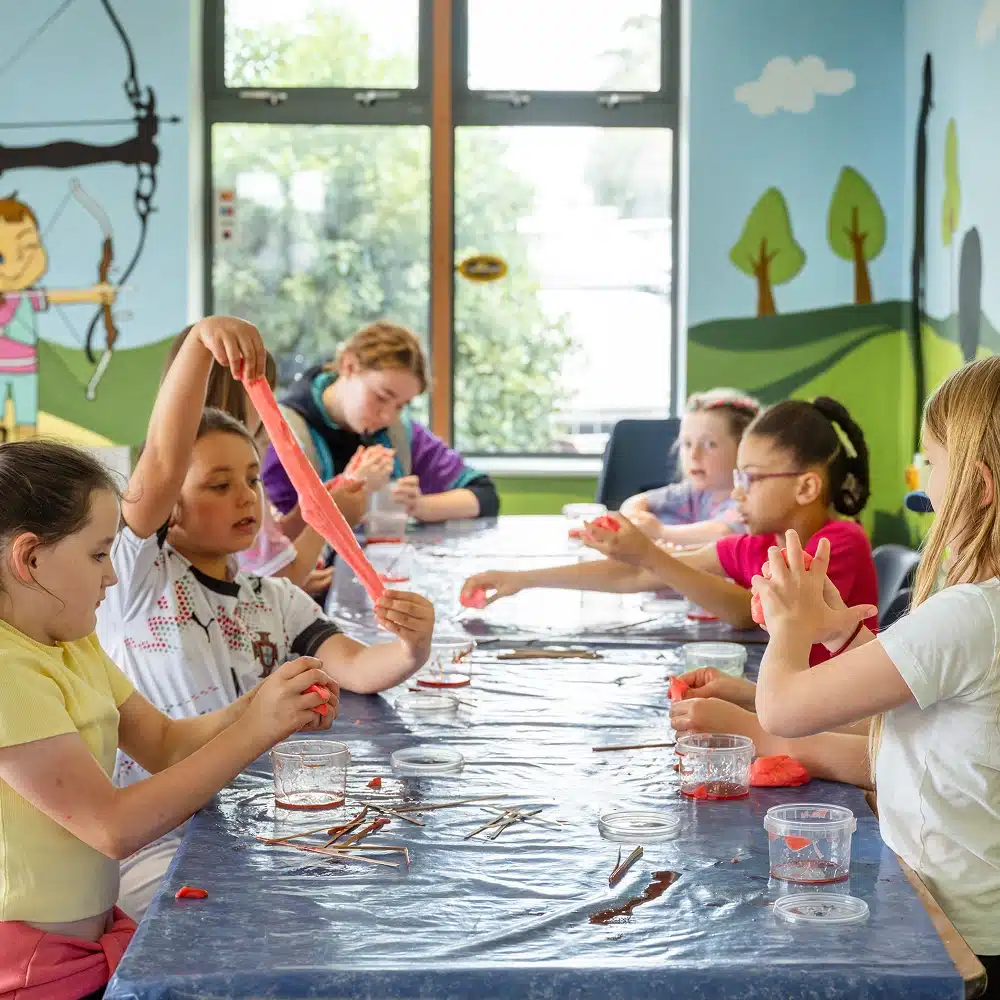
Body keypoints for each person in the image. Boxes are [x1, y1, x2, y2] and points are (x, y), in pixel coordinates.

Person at [97, 316, 435, 919]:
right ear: (170, 506)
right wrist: (203, 343)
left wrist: (412, 647)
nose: (246, 497)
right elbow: (158, 468)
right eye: (219, 484)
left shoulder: (271, 598)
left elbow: (357, 667)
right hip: (156, 836)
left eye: (252, 480)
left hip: (244, 818)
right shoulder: (136, 581)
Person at [0, 438, 339, 998]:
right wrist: (259, 729)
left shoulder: (69, 642)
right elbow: (113, 827)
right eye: (97, 553)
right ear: (31, 558)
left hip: (88, 936)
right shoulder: (8, 670)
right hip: (30, 966)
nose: (111, 576)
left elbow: (164, 743)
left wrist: (265, 704)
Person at [751, 358, 1000, 990]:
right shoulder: (981, 614)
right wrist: (842, 633)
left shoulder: (970, 614)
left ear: (975, 484)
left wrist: (790, 625)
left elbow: (782, 710)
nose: (923, 482)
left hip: (958, 931)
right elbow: (930, 704)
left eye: (929, 464)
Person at [463, 397, 878, 667]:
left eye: (750, 479)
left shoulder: (836, 545)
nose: (737, 493)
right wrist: (523, 580)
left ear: (806, 487)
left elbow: (742, 609)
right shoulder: (756, 544)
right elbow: (639, 574)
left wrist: (649, 553)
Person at [162, 326, 387, 594]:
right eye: (261, 392)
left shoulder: (232, 464)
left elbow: (265, 543)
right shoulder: (223, 469)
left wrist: (309, 512)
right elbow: (282, 576)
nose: (269, 405)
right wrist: (329, 517)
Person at [262, 321, 499, 524]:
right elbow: (279, 543)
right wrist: (348, 490)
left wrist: (419, 506)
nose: (388, 416)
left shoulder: (399, 434)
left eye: (401, 405)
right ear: (349, 366)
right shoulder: (281, 434)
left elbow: (485, 495)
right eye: (381, 397)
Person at [620, 388, 759, 546]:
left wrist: (660, 531)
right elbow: (634, 502)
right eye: (687, 444)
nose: (694, 455)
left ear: (744, 449)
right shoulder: (694, 493)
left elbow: (723, 533)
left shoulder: (751, 502)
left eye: (709, 444)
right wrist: (636, 518)